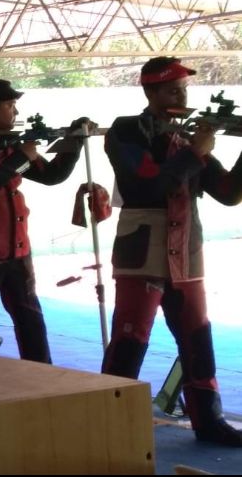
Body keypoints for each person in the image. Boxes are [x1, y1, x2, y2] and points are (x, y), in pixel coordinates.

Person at [102, 56, 242, 446]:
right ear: (150, 92)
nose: (182, 95)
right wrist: (196, 151)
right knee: (130, 340)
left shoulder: (185, 139)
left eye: (183, 88)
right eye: (172, 89)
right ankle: (106, 423)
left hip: (186, 255)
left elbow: (230, 194)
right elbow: (148, 186)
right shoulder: (126, 130)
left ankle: (209, 421)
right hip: (141, 253)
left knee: (198, 339)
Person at [0, 79, 90, 361]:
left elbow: (51, 175)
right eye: (10, 105)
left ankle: (41, 382)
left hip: (18, 251)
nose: (15, 113)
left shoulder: (10, 147)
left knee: (32, 323)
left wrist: (73, 141)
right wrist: (22, 156)